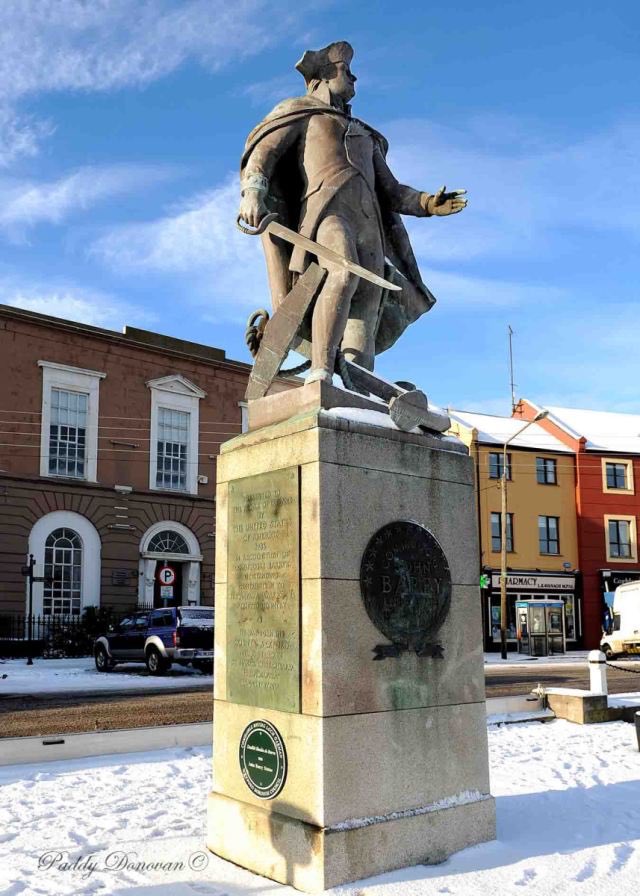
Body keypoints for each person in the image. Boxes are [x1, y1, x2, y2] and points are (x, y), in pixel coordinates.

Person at [238, 41, 467, 384]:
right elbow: (263, 153)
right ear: (322, 77)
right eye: (346, 70)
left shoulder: (364, 134)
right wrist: (253, 192)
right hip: (325, 215)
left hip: (369, 226)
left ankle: (357, 387)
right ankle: (321, 372)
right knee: (342, 271)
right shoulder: (301, 113)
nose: (354, 78)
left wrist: (427, 203)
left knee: (366, 306)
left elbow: (391, 190)